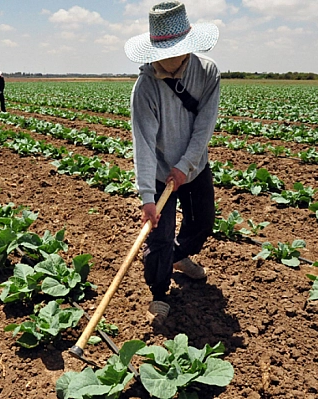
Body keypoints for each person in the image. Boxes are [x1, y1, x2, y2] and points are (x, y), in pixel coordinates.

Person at [124, 1, 220, 324]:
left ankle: (173, 259)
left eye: (176, 49)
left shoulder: (207, 74)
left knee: (203, 223)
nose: (169, 57)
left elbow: (203, 128)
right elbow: (145, 145)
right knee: (160, 236)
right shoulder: (145, 88)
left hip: (193, 167)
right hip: (160, 171)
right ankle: (159, 292)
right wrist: (147, 199)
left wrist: (186, 166)